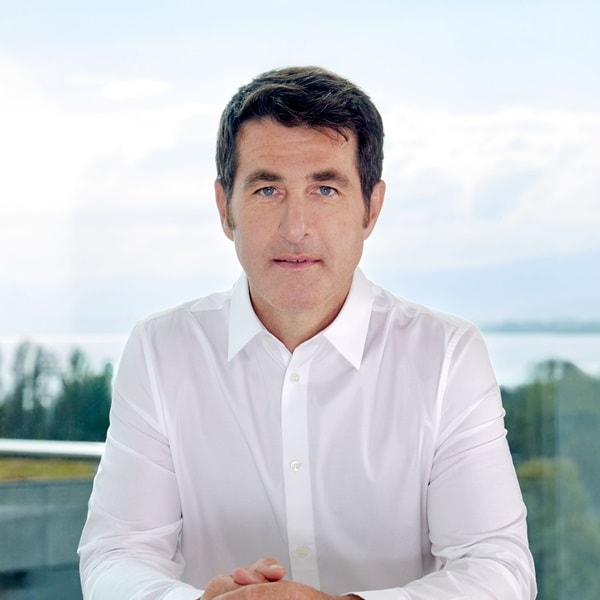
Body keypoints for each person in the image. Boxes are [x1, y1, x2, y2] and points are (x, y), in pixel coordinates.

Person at [78, 66, 537, 600]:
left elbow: (499, 569)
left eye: (325, 189)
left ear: (371, 208)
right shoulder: (161, 351)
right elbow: (116, 555)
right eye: (267, 189)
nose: (296, 227)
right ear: (226, 209)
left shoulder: (447, 356)